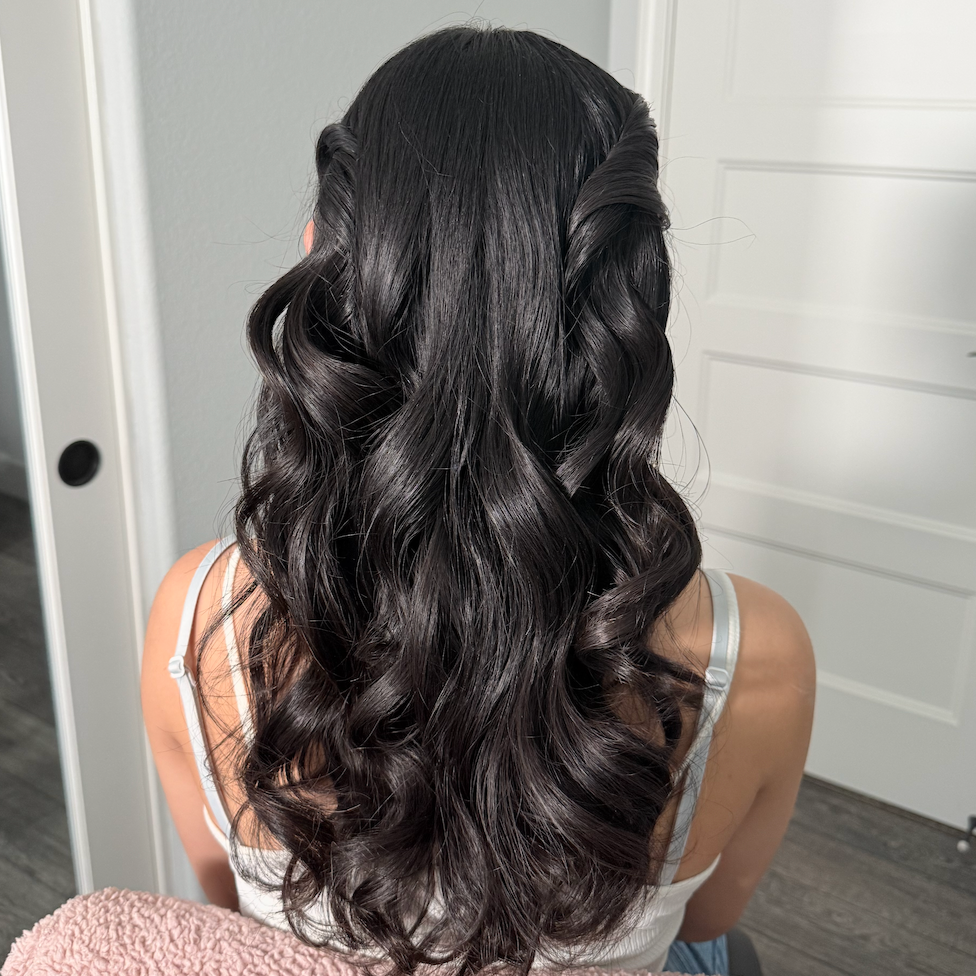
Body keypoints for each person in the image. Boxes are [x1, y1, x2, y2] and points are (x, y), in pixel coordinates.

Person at [141, 25, 815, 976]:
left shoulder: (196, 624)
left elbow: (227, 914)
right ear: (636, 300)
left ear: (319, 256)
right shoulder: (758, 657)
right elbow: (708, 920)